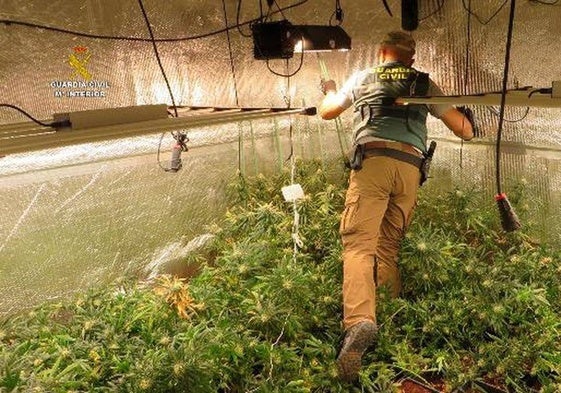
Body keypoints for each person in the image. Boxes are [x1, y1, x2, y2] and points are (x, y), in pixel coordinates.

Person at [318, 31, 474, 382]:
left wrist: (329, 90)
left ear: (382, 52)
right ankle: (390, 318)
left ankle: (360, 322)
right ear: (411, 59)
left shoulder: (363, 77)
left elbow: (328, 112)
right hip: (409, 169)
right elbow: (464, 130)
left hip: (373, 163)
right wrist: (466, 111)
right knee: (387, 247)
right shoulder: (424, 83)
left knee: (359, 246)